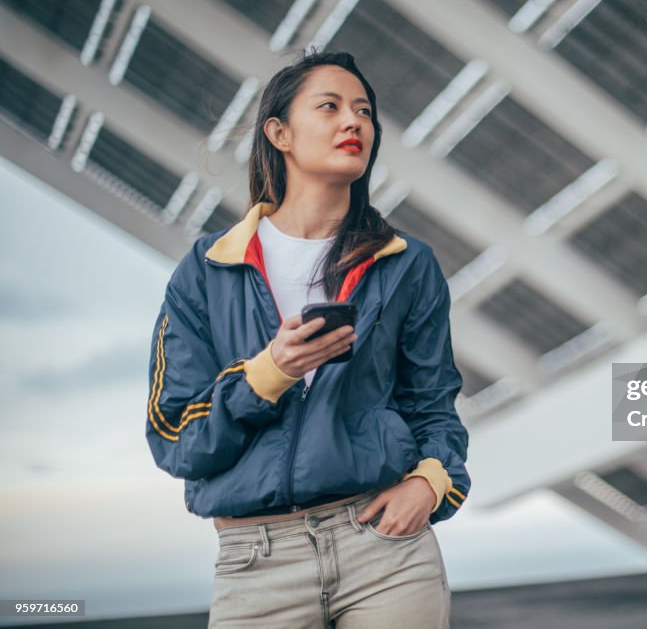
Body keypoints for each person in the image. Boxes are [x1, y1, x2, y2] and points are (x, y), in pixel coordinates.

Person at [145, 50, 469, 628]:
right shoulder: (206, 270)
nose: (355, 122)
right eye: (331, 107)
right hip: (256, 561)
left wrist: (430, 483)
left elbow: (433, 407)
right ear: (280, 133)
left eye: (364, 111)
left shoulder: (406, 265)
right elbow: (176, 439)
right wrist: (269, 374)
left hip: (384, 550)